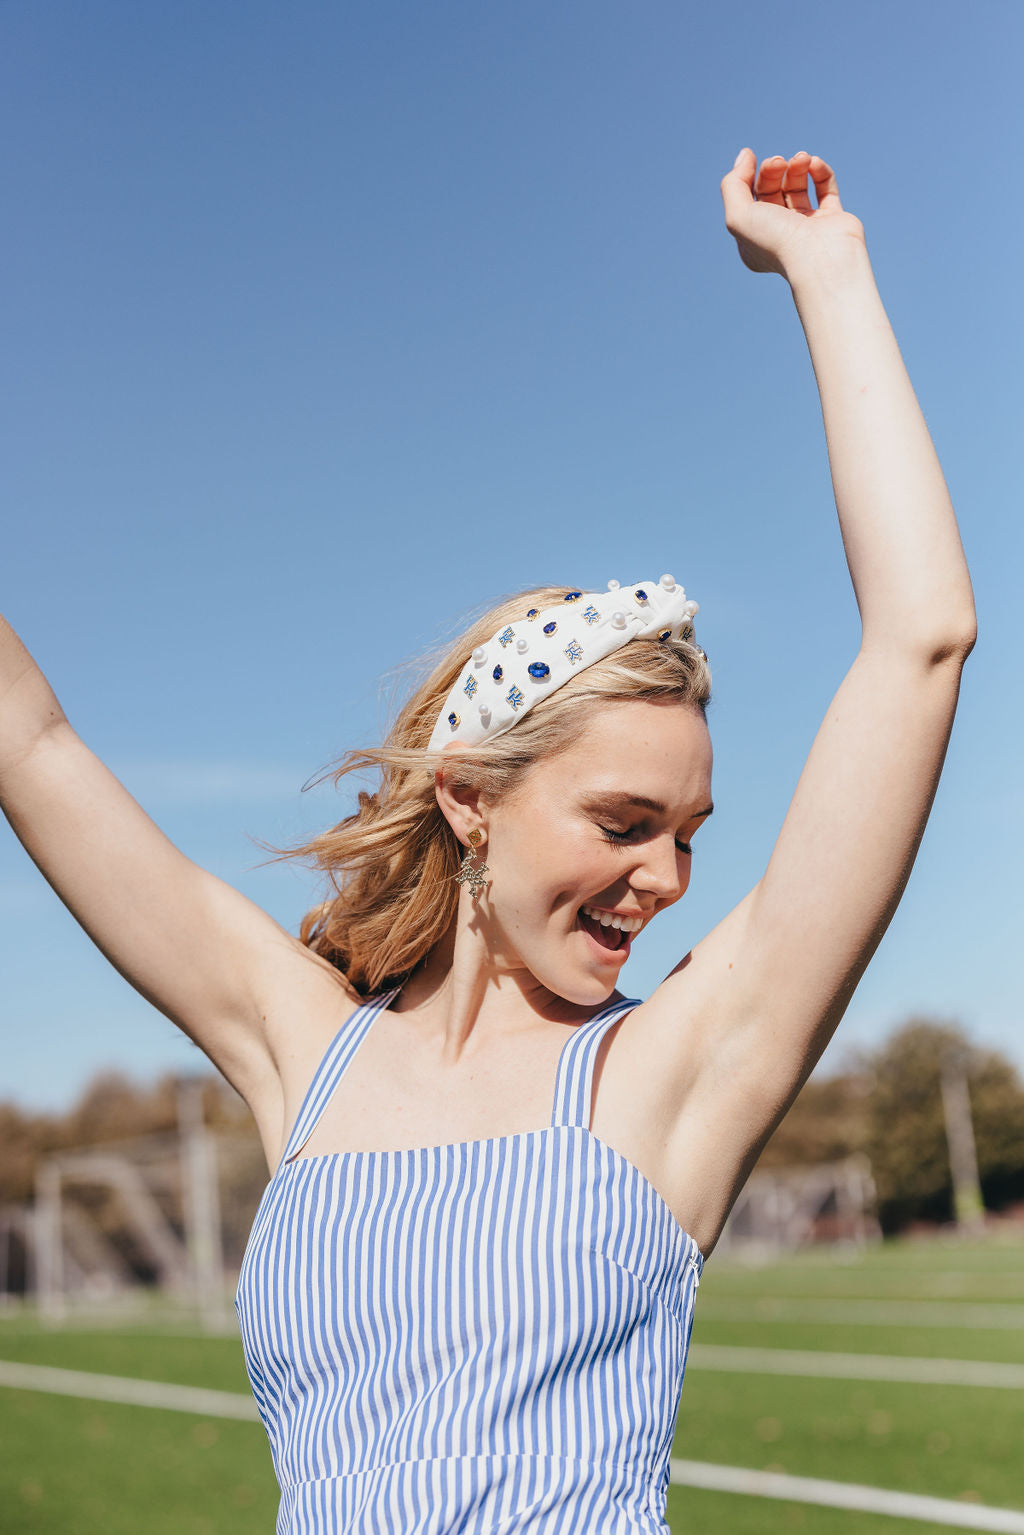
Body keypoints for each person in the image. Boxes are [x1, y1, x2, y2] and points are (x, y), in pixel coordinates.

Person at [0, 149, 975, 1533]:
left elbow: (920, 643)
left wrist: (828, 268)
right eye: (625, 823)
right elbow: (30, 745)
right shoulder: (307, 1055)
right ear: (473, 799)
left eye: (692, 835)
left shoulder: (668, 1075)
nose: (670, 881)